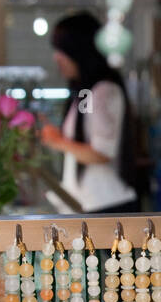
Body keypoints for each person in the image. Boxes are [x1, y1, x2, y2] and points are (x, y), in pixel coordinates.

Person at [39, 11, 138, 214]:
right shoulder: (85, 92)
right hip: (88, 204)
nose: (56, 57)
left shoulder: (104, 91)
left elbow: (101, 153)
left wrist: (57, 141)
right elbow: (82, 137)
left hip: (105, 206)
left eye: (62, 50)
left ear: (79, 50)